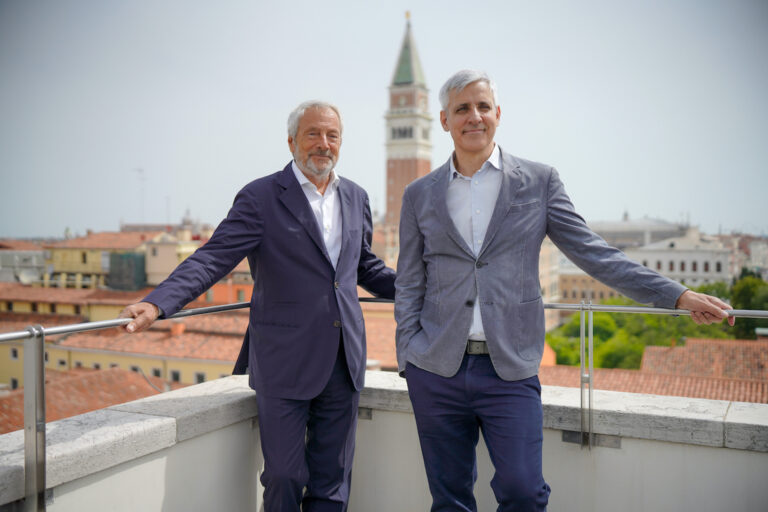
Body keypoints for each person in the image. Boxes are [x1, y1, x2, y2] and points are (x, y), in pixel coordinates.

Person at [394, 69, 734, 512]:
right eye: (462, 108)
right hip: (435, 369)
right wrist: (408, 355)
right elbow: (409, 280)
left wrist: (676, 294)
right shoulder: (419, 194)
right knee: (449, 499)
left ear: (498, 114)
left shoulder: (538, 181)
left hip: (509, 370)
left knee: (524, 492)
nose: (473, 116)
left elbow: (593, 253)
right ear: (444, 120)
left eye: (482, 107)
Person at [120, 100, 395, 512]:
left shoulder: (355, 196)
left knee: (333, 482)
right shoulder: (261, 196)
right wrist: (158, 303)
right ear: (291, 142)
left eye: (332, 136)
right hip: (283, 363)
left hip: (344, 361)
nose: (323, 144)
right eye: (313, 134)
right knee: (283, 476)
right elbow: (214, 257)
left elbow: (365, 267)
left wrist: (423, 289)